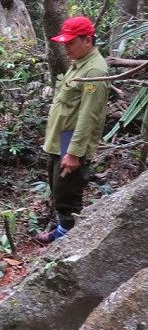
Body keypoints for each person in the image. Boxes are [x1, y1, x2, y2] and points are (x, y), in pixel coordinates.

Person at [37, 16, 109, 244]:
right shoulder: (79, 63)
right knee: (59, 190)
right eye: (64, 42)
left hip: (70, 142)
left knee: (68, 196)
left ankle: (65, 243)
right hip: (61, 138)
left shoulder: (94, 71)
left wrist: (74, 152)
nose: (66, 47)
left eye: (70, 42)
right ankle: (60, 230)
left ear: (87, 40)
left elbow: (89, 116)